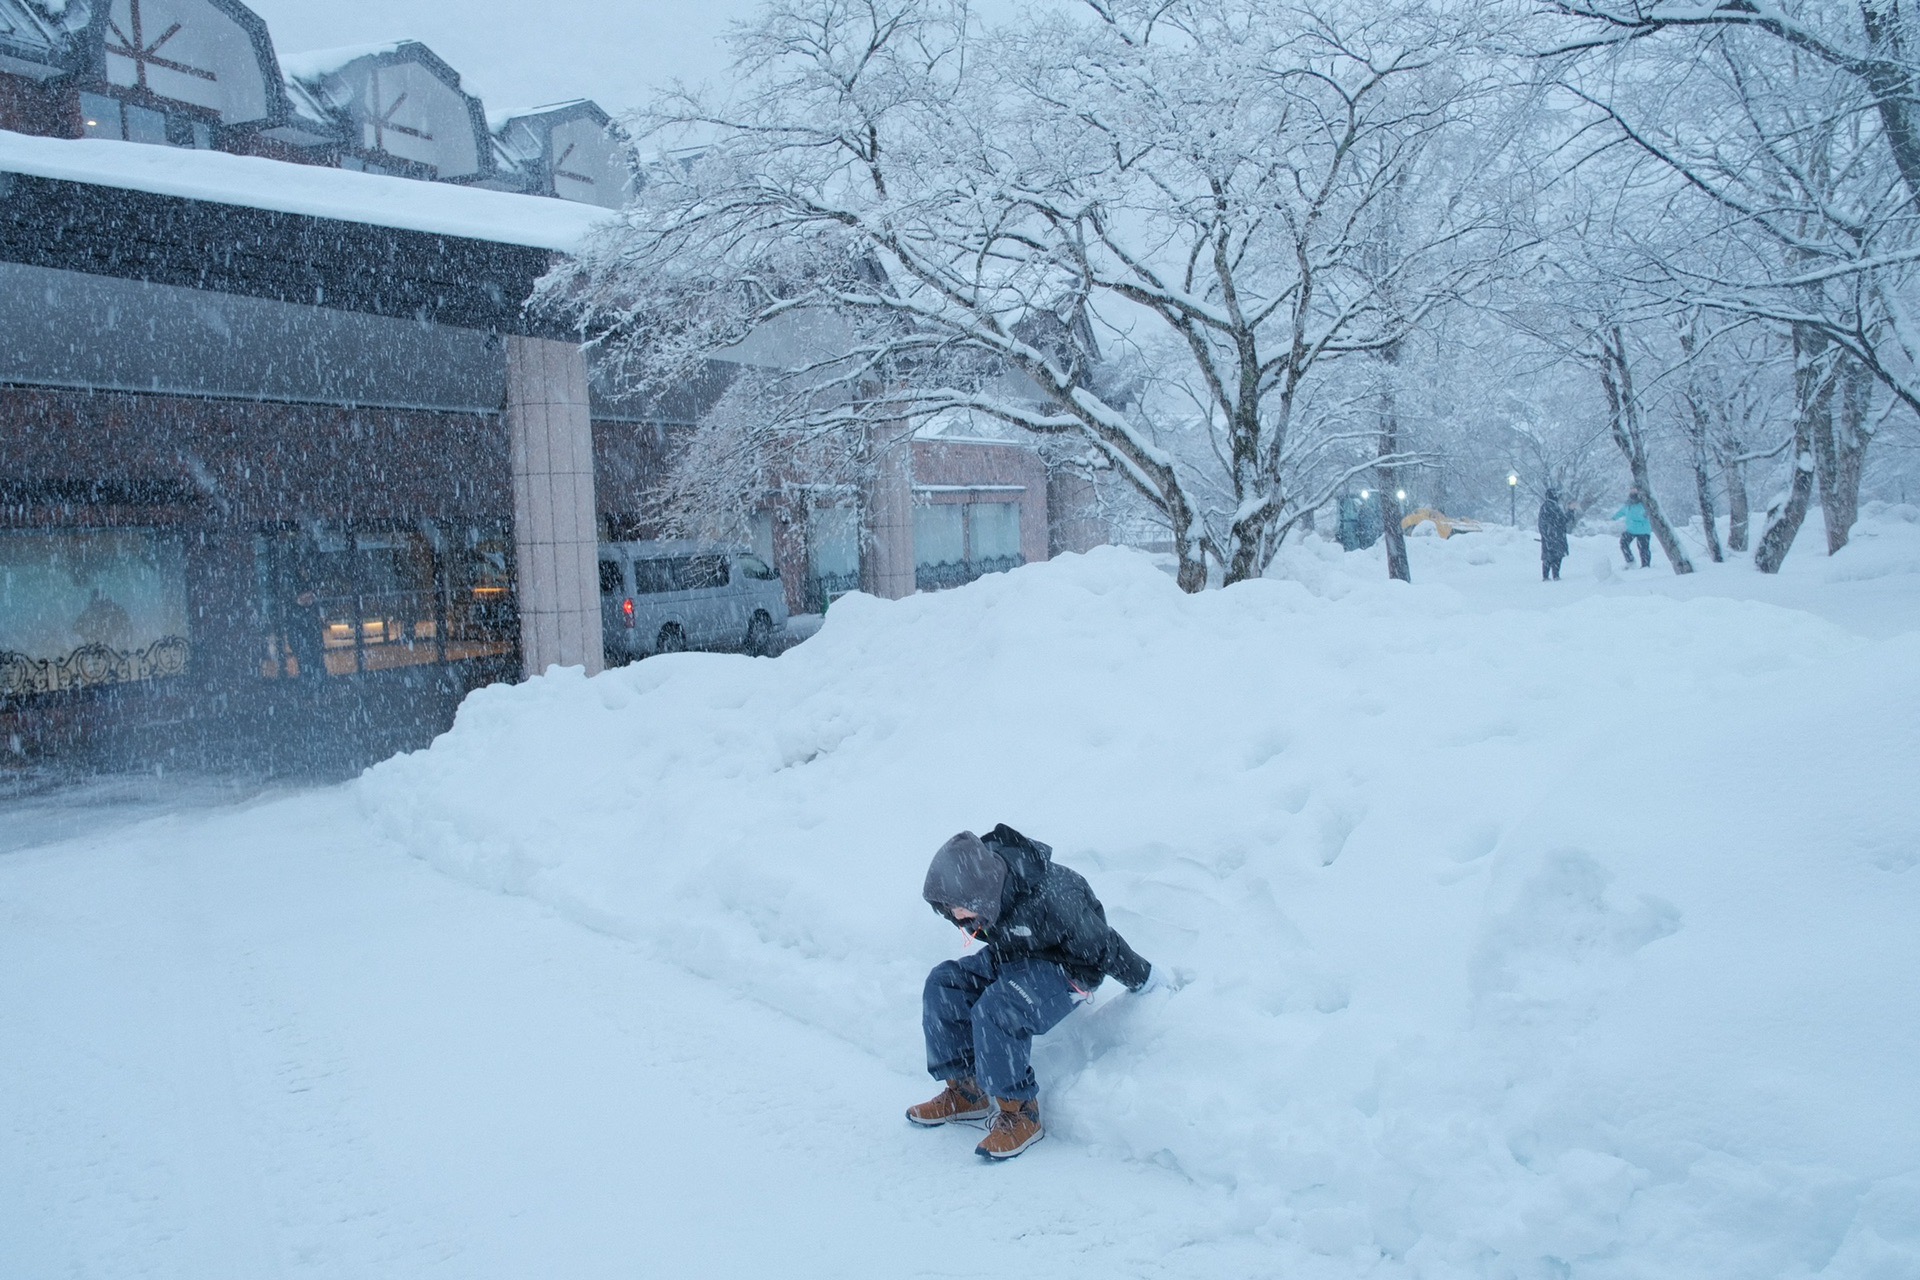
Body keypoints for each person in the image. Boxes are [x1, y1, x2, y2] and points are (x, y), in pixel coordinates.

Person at [909, 824, 1155, 1160]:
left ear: (978, 890)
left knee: (999, 1008)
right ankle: (967, 1092)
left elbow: (1103, 946)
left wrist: (1147, 980)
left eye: (957, 906)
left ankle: (1021, 1113)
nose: (955, 916)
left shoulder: (1053, 898)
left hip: (1069, 968)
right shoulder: (989, 889)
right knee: (944, 983)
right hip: (1015, 955)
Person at [1537, 487, 1572, 581]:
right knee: (1557, 557)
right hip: (1556, 537)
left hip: (1548, 538)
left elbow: (1541, 524)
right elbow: (1562, 521)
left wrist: (1545, 535)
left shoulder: (1544, 507)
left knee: (1547, 557)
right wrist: (1570, 511)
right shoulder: (1554, 507)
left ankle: (1546, 576)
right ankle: (1555, 575)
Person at [1613, 488, 1653, 568]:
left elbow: (1645, 515)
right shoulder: (1628, 505)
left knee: (1643, 549)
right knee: (1624, 543)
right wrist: (1612, 518)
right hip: (1632, 530)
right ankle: (1631, 561)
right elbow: (1620, 512)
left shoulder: (1643, 505)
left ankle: (1645, 566)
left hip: (1643, 530)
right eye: (1632, 490)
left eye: (1635, 491)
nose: (1633, 493)